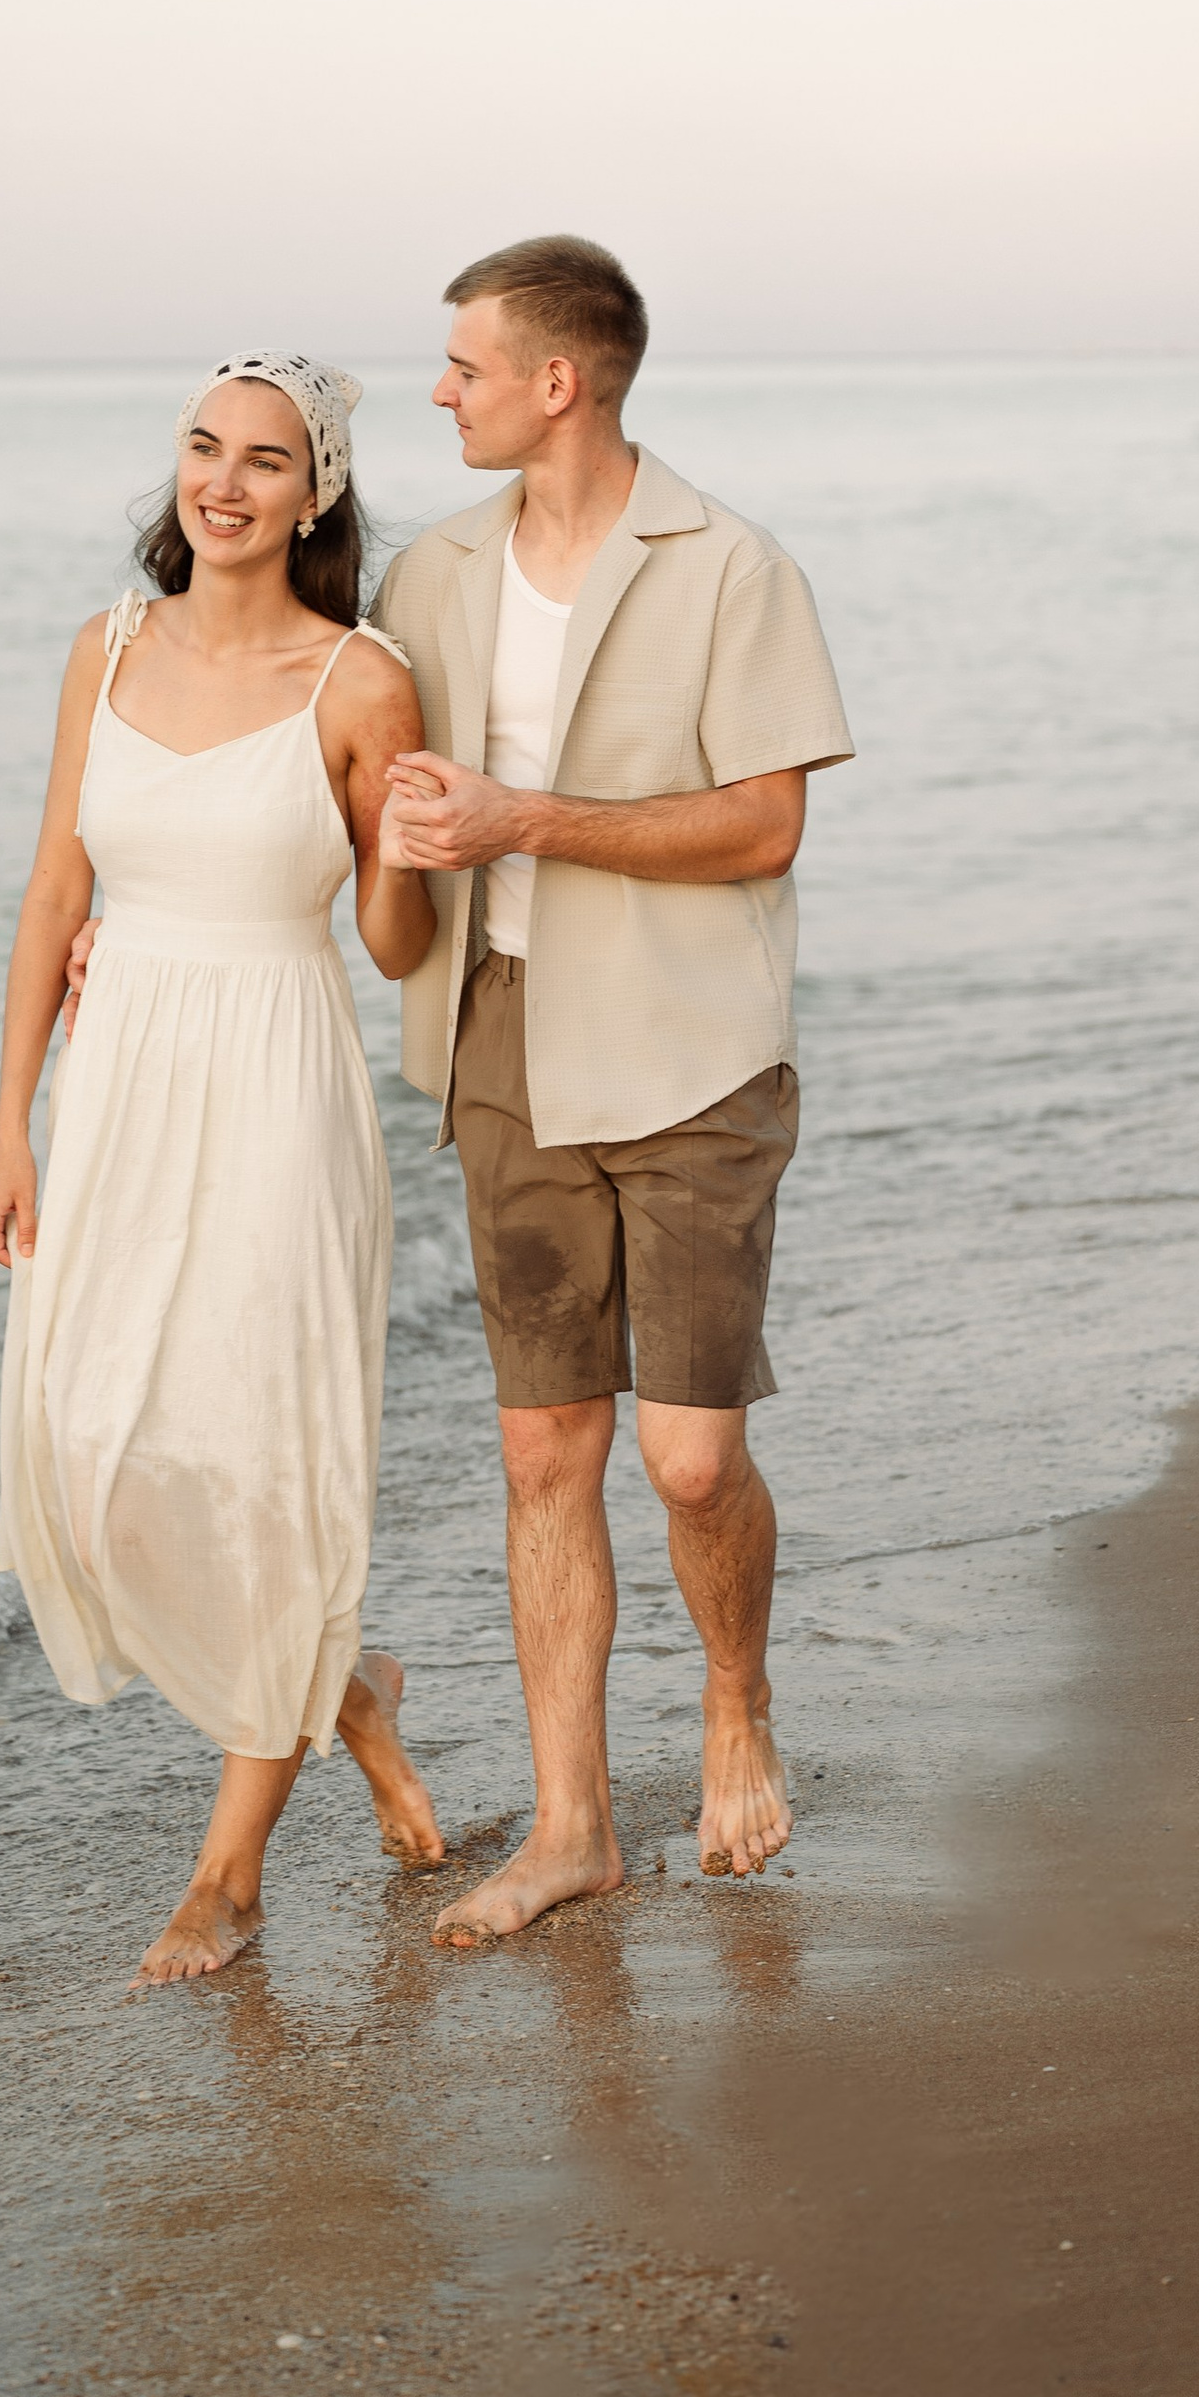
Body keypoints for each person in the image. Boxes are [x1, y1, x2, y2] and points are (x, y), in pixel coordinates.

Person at [372, 237, 854, 1942]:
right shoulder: (428, 572)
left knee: (692, 1461)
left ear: (556, 383)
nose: (441, 389)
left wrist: (527, 821)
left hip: (695, 1050)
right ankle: (573, 1825)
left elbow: (765, 825)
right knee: (540, 1452)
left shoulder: (729, 567)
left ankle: (736, 1703)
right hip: (498, 1035)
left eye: (466, 365)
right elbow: (353, 771)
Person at [0, 352, 447, 1985]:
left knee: (264, 1462)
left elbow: (396, 946)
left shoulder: (364, 682)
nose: (224, 483)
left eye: (265, 460)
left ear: (316, 494)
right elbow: (53, 894)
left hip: (276, 1076)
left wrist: (406, 843)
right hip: (115, 1086)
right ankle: (349, 1690)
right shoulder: (103, 650)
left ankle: (228, 1876)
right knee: (83, 1450)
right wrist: (10, 1123)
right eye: (201, 448)